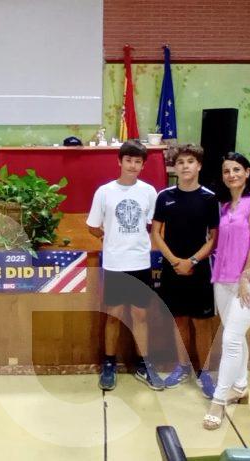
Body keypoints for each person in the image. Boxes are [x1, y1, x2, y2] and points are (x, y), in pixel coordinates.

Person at [203, 152, 250, 430]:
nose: (231, 175)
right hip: (224, 279)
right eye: (226, 171)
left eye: (236, 169)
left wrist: (245, 276)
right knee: (236, 334)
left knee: (230, 338)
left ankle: (218, 401)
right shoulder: (224, 206)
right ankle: (241, 386)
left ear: (247, 172)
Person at [87, 139, 163, 391]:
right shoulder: (104, 192)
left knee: (141, 315)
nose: (132, 165)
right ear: (119, 161)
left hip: (140, 262)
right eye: (128, 160)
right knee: (114, 316)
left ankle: (143, 364)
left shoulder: (149, 192)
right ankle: (109, 364)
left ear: (143, 165)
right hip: (115, 263)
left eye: (137, 162)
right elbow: (92, 226)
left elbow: (153, 225)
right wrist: (109, 238)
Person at [150, 144, 219, 394]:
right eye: (180, 162)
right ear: (174, 168)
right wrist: (174, 261)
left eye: (190, 161)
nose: (185, 166)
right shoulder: (164, 196)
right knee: (178, 320)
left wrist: (192, 261)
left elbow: (214, 238)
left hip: (199, 270)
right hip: (173, 269)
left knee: (201, 323)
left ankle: (205, 372)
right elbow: (156, 233)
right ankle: (182, 366)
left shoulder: (209, 198)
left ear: (199, 165)